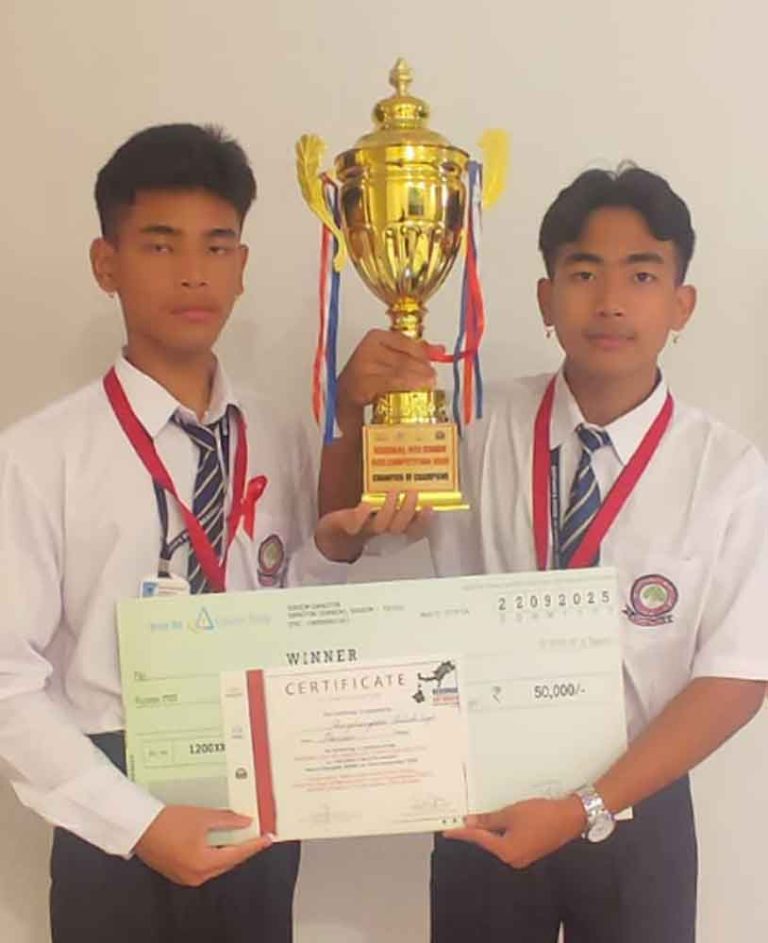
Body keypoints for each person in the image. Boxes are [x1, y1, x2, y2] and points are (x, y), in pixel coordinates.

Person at [321, 164, 768, 941]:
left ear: (681, 304)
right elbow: (343, 536)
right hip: (484, 799)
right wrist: (352, 410)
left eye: (642, 274)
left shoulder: (727, 471)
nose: (611, 300)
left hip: (639, 806)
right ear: (545, 298)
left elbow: (737, 674)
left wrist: (584, 805)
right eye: (584, 272)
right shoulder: (471, 426)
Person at [0, 122, 420, 943]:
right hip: (110, 805)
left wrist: (331, 553)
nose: (194, 272)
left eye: (217, 245)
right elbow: (6, 678)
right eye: (160, 245)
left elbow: (280, 612)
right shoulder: (38, 456)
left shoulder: (277, 433)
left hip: (255, 786)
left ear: (242, 264)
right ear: (106, 263)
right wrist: (139, 822)